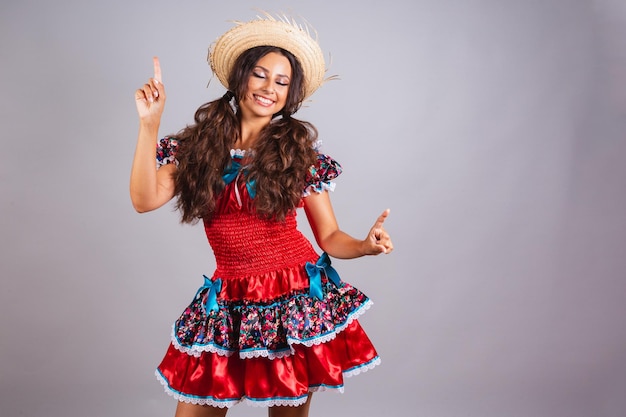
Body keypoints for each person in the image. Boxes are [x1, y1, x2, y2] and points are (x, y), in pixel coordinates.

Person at [130, 14, 393, 417]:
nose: (269, 88)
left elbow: (330, 237)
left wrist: (364, 246)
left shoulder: (298, 153)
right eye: (260, 74)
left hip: (293, 295)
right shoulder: (197, 146)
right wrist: (150, 126)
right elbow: (144, 199)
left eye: (282, 82)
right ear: (240, 78)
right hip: (229, 296)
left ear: (290, 94)